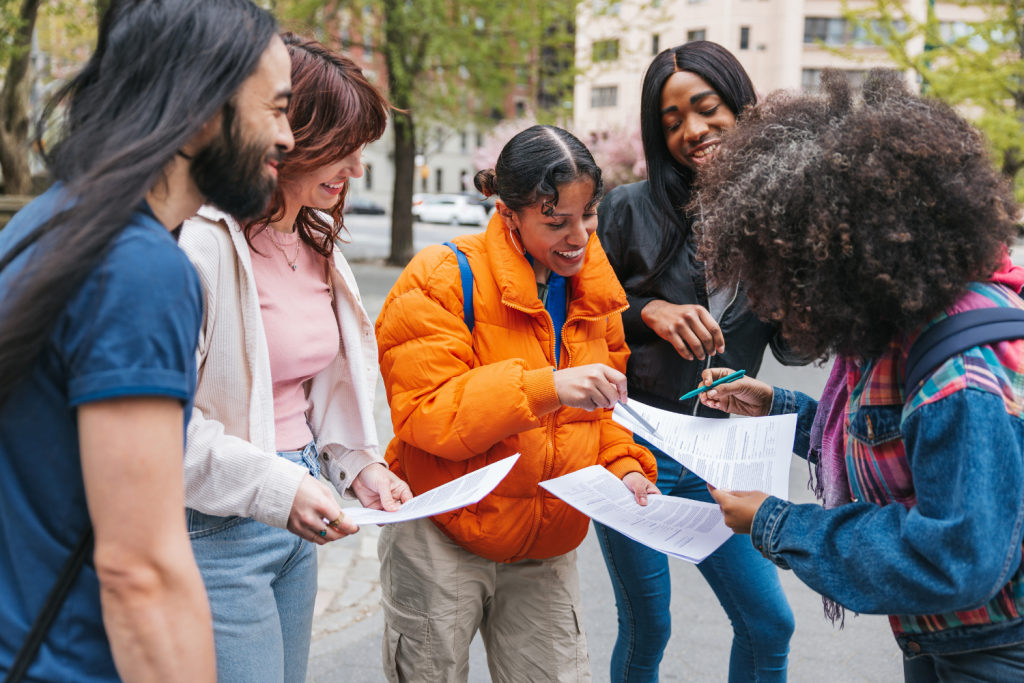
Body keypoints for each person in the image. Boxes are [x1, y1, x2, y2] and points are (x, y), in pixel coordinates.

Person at [695, 70, 1024, 682]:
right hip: (949, 639)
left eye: (786, 277)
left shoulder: (959, 378)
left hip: (991, 655)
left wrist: (777, 521)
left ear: (840, 260)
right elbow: (893, 437)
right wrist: (782, 407)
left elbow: (954, 558)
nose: (777, 304)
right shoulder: (912, 317)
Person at [0, 1, 292, 682]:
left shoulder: (45, 225)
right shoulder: (138, 270)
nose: (286, 137)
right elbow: (142, 570)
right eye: (275, 109)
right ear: (200, 112)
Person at [375, 125, 658, 683]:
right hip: (442, 531)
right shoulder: (440, 276)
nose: (578, 237)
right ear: (509, 214)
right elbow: (427, 413)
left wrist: (624, 468)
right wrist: (547, 386)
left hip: (547, 543)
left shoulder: (594, 292)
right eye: (556, 222)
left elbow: (605, 412)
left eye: (588, 215)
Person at [177, 34, 411, 683]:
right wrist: (282, 487)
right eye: (344, 147)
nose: (357, 169)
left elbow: (317, 394)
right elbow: (164, 431)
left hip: (297, 518)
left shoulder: (317, 244)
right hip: (217, 527)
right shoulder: (201, 246)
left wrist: (359, 468)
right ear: (287, 132)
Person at [594, 41, 799, 682]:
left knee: (770, 624)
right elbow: (575, 319)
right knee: (648, 627)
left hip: (725, 458)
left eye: (706, 109)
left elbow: (794, 347)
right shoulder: (628, 208)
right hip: (637, 452)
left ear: (740, 108)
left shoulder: (778, 214)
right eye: (672, 121)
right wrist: (646, 310)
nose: (692, 130)